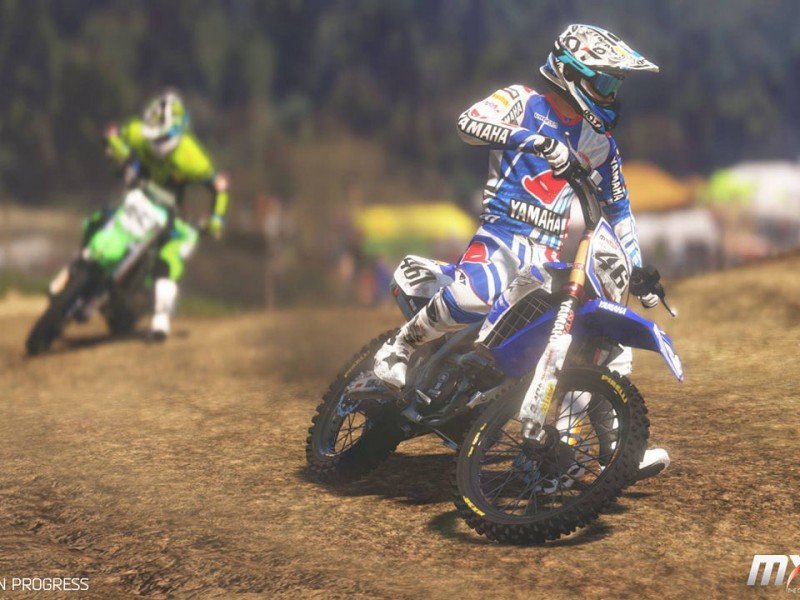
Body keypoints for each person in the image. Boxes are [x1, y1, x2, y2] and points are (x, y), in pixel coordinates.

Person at [374, 24, 669, 477]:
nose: (611, 95)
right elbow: (468, 124)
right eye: (605, 83)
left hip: (546, 255)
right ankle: (399, 347)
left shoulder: (600, 144)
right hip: (501, 236)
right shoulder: (521, 100)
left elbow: (620, 208)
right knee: (472, 296)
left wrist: (637, 268)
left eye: (616, 86)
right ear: (572, 72)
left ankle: (613, 452)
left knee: (600, 344)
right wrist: (538, 142)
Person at [104, 89, 229, 339]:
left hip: (169, 212)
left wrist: (216, 219)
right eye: (151, 135)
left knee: (169, 259)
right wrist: (118, 150)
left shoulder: (192, 157)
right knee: (100, 220)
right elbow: (113, 134)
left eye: (161, 138)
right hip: (135, 197)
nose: (155, 143)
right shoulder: (138, 132)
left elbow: (219, 186)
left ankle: (160, 319)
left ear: (177, 133)